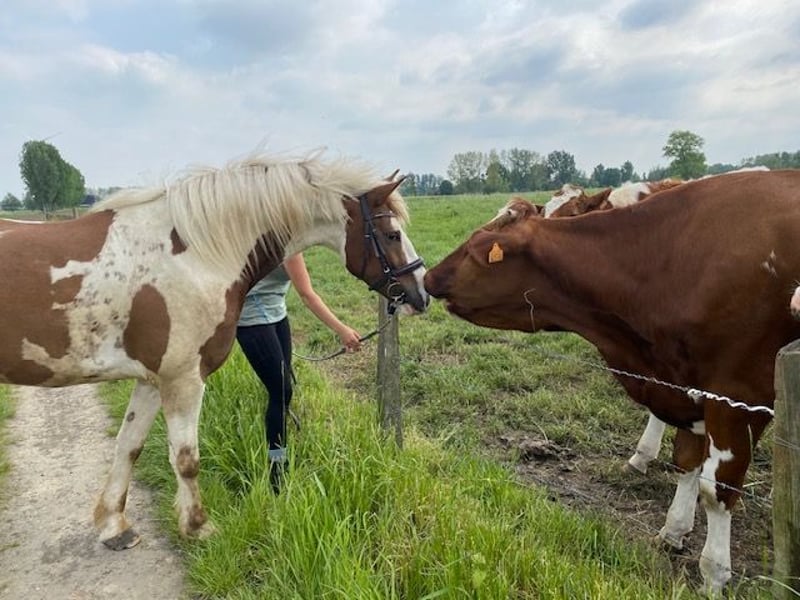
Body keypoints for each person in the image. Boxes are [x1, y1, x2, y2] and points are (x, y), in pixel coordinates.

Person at [236, 252, 362, 492]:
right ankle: (277, 470)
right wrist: (342, 330)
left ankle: (279, 447)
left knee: (283, 389)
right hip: (252, 317)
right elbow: (307, 295)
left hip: (276, 311)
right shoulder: (288, 245)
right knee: (281, 390)